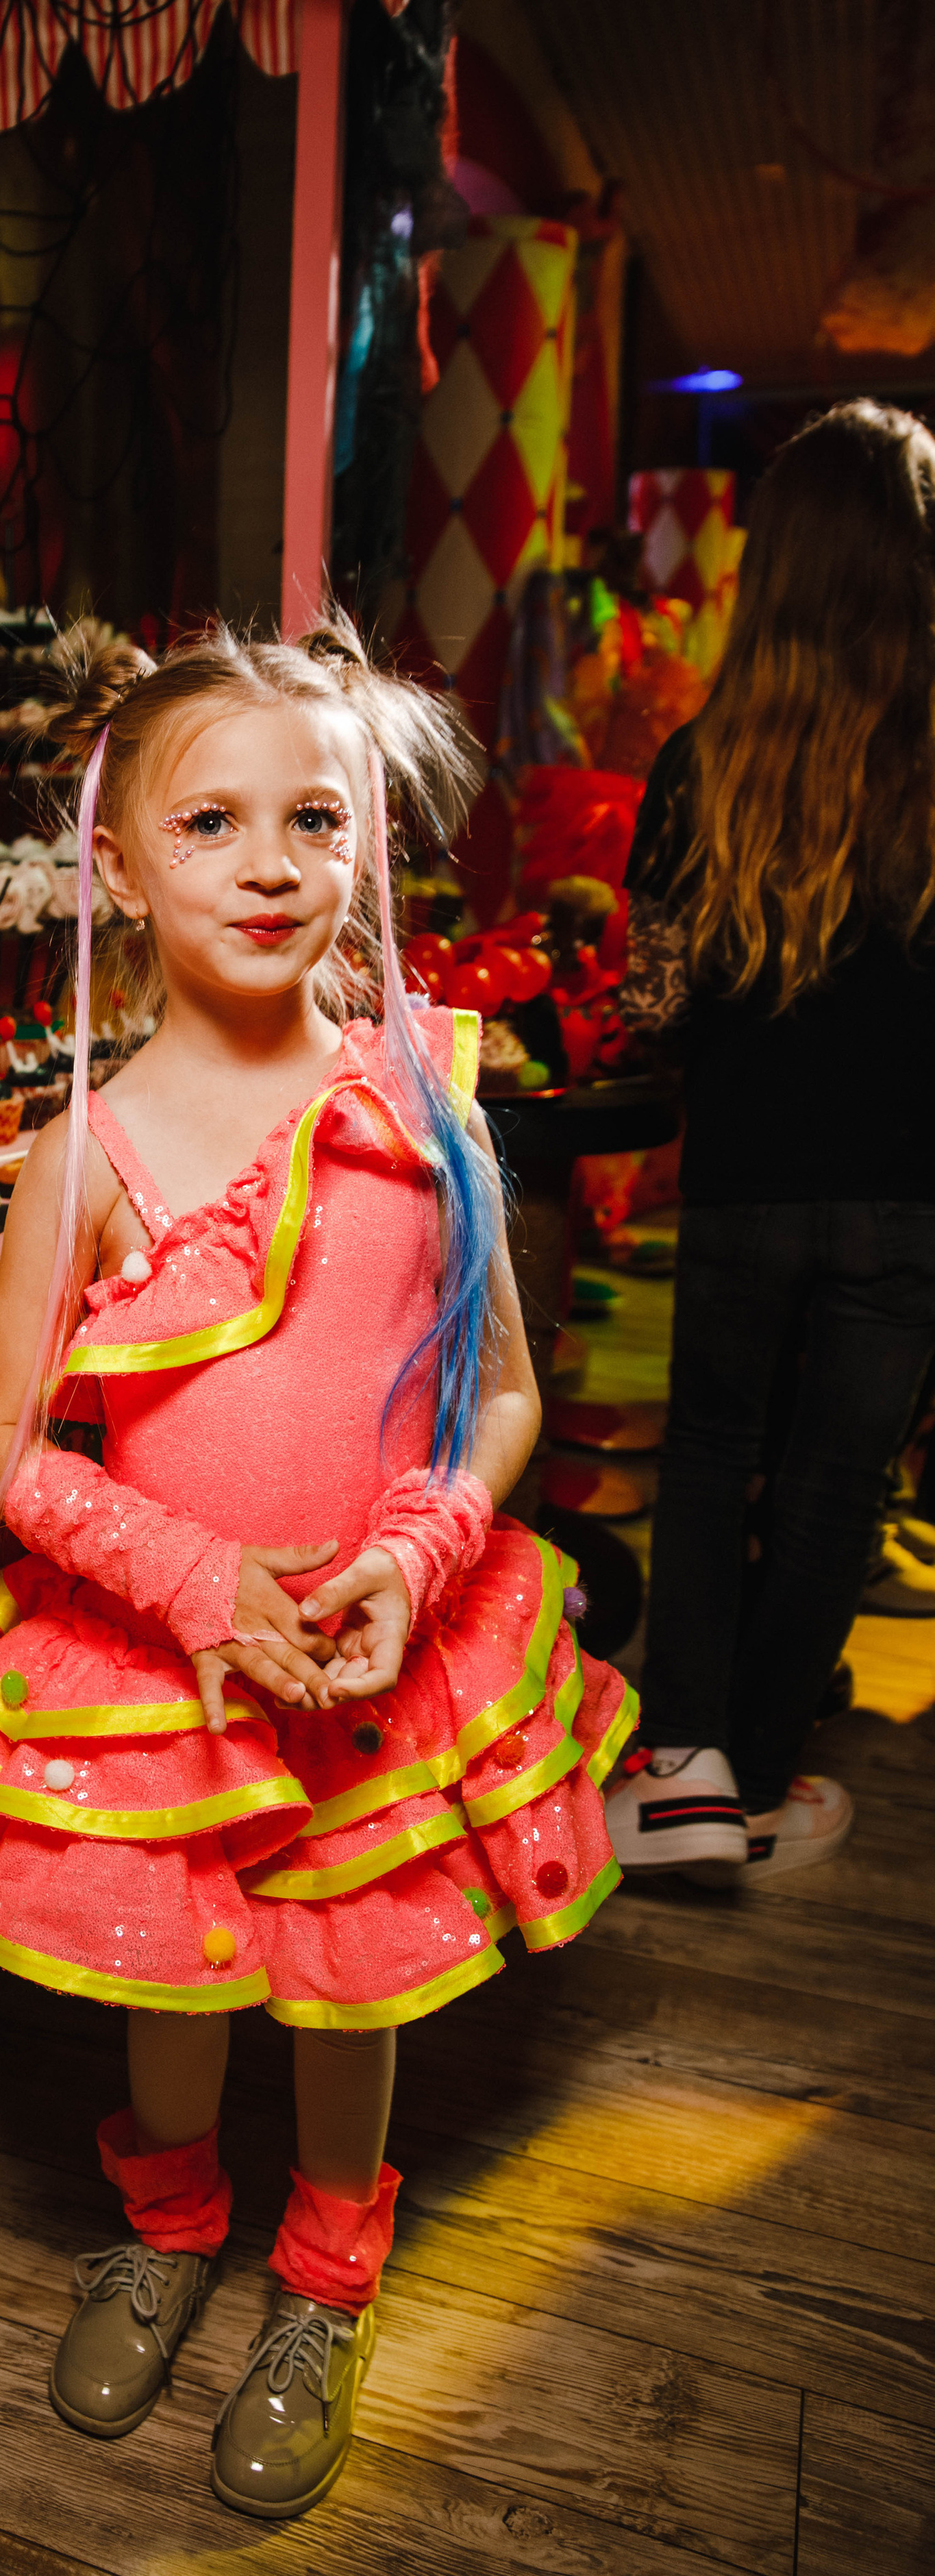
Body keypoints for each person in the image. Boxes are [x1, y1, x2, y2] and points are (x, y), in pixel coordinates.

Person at [0, 622, 634, 2518]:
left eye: (313, 817)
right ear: (121, 867)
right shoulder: (90, 1145)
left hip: (378, 1652)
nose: (265, 862)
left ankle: (323, 2277)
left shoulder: (430, 1109)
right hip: (169, 1656)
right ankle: (167, 2225)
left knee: (350, 1974)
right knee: (174, 1957)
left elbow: (499, 1400)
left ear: (369, 849)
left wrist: (423, 1548)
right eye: (210, 819)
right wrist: (181, 1575)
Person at [608, 401, 935, 1887]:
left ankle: (680, 1772)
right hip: (910, 1191)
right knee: (832, 1487)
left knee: (709, 1452)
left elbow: (652, 1003)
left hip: (741, 1175)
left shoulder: (696, 764)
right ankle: (754, 1772)